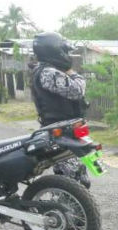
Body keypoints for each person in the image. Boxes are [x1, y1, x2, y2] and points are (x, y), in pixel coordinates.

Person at [30, 32, 90, 188]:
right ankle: (67, 209)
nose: (67, 54)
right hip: (59, 132)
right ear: (54, 51)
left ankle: (74, 208)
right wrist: (73, 73)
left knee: (77, 178)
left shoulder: (49, 70)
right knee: (72, 179)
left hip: (67, 129)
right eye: (65, 51)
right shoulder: (47, 72)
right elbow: (77, 90)